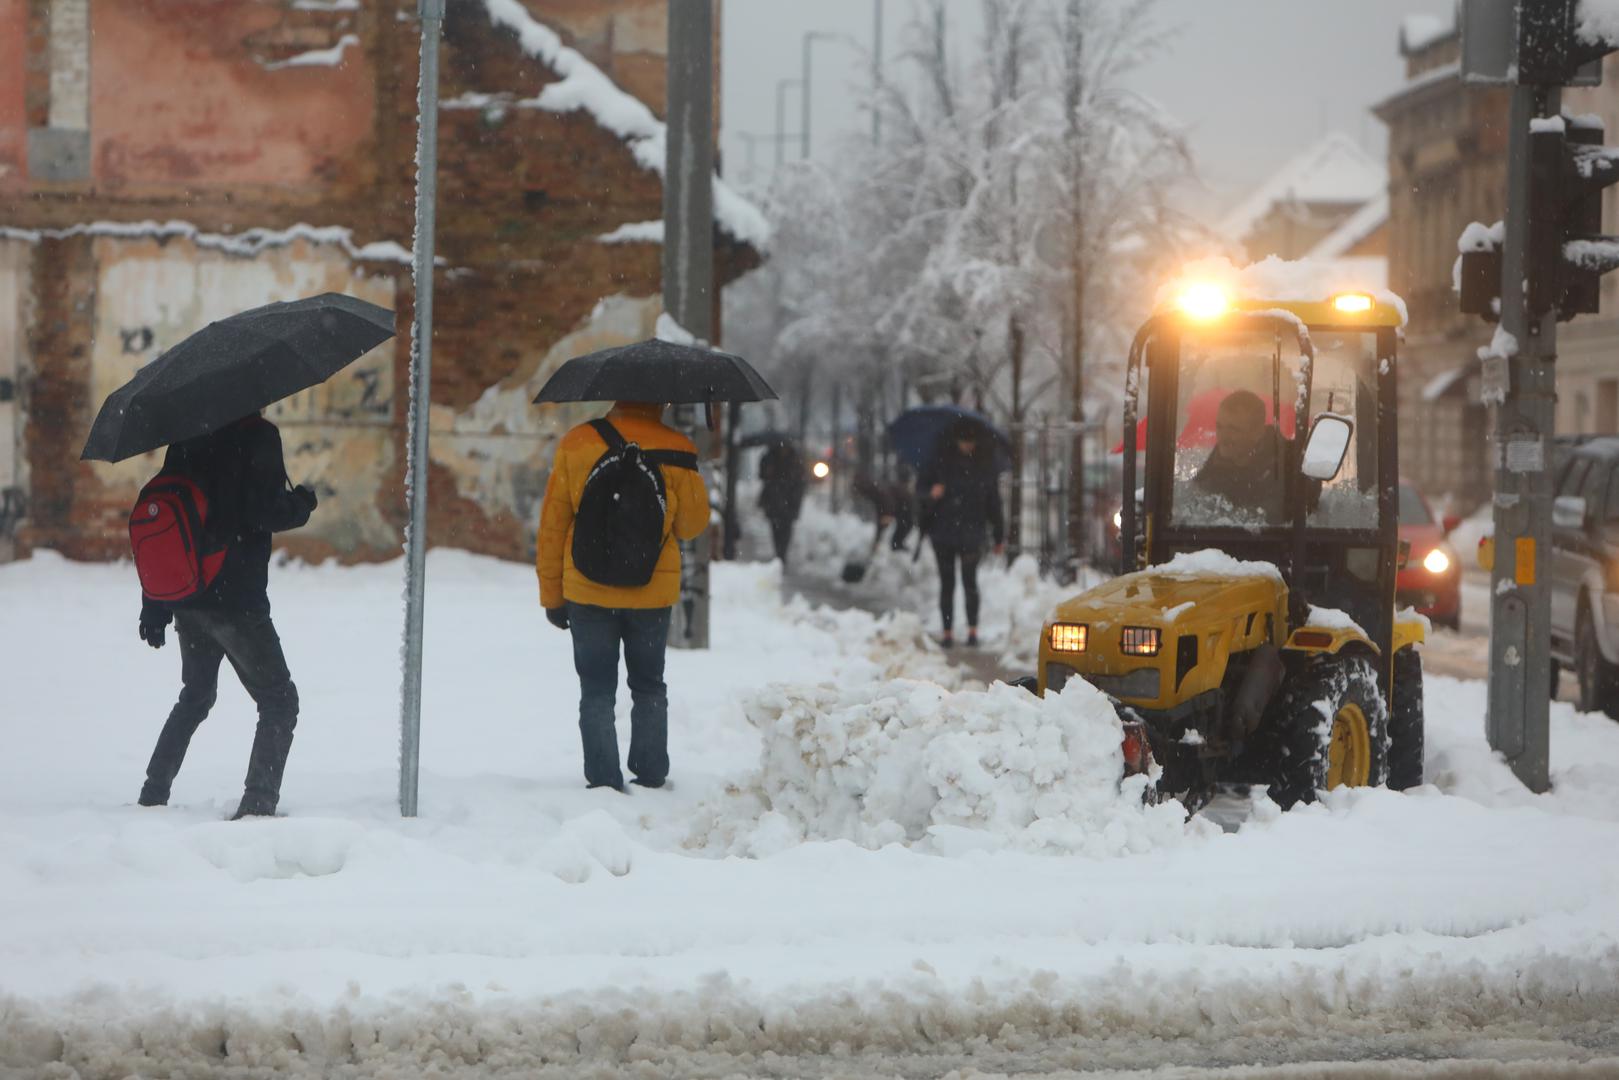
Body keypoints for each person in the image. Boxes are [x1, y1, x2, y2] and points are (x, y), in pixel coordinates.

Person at [136, 414, 318, 819]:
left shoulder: (188, 434)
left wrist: (155, 601)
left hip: (190, 595)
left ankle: (153, 792)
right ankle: (258, 804)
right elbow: (262, 512)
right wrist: (301, 504)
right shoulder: (258, 435)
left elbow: (167, 519)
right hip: (236, 599)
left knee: (196, 696)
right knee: (279, 700)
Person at [537, 402, 709, 792]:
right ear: (663, 400)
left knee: (596, 688)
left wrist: (552, 596)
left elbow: (553, 525)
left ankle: (602, 779)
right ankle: (649, 774)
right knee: (649, 684)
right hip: (651, 594)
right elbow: (691, 525)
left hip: (587, 589)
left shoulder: (577, 442)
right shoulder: (678, 448)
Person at [919, 420, 1005, 648]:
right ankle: (949, 632)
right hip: (947, 532)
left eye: (970, 441)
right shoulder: (941, 464)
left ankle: (971, 631)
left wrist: (999, 534)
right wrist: (932, 493)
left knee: (968, 582)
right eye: (964, 441)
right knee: (949, 583)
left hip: (967, 532)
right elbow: (920, 493)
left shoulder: (982, 466)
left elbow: (993, 503)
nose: (967, 446)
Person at [1192, 389, 1285, 522]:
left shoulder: (1283, 466)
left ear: (1258, 432)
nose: (1223, 437)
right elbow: (1194, 496)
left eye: (1233, 429)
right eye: (1219, 427)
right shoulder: (1220, 458)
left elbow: (1269, 518)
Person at [757, 437, 805, 565]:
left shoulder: (795, 459)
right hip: (774, 500)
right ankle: (779, 552)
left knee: (786, 529)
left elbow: (800, 480)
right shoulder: (770, 458)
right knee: (776, 528)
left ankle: (782, 553)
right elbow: (762, 475)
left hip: (789, 500)